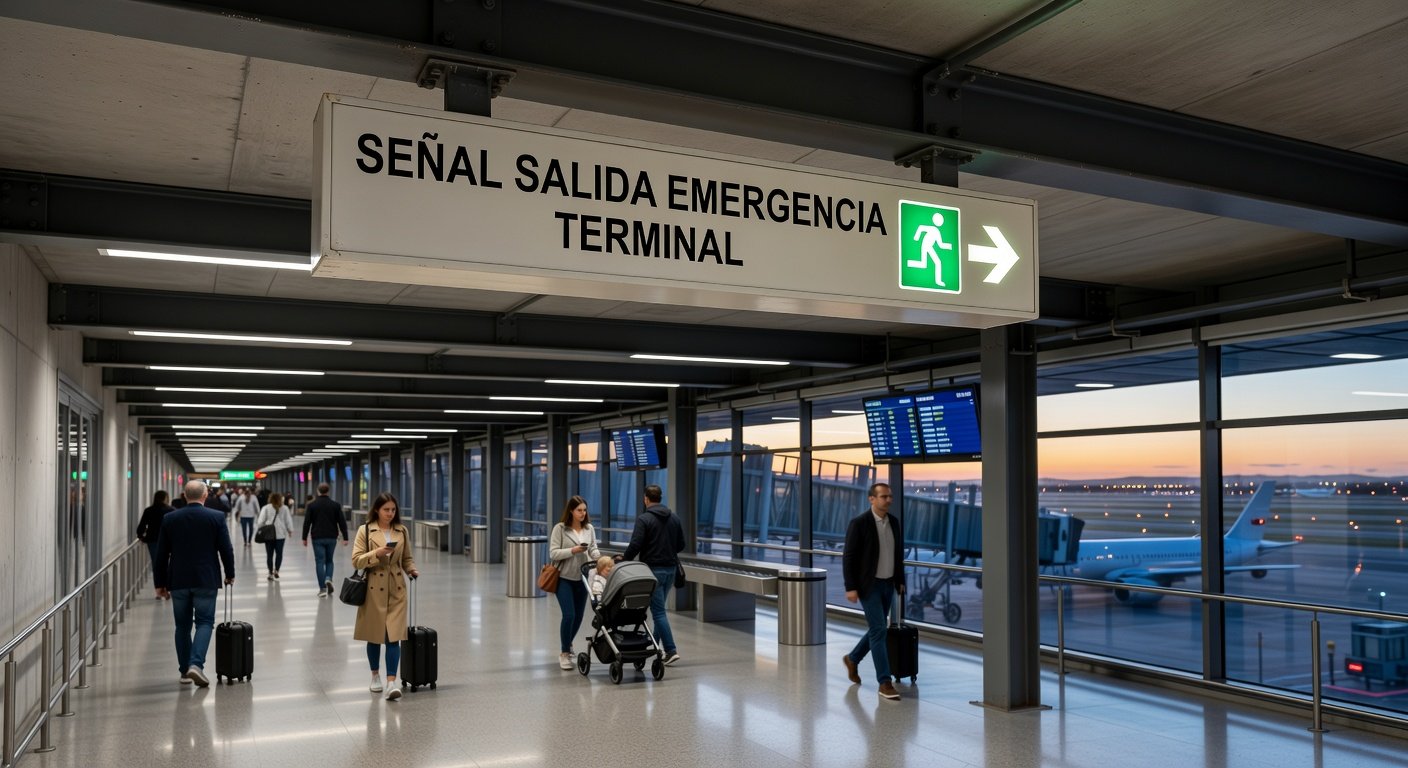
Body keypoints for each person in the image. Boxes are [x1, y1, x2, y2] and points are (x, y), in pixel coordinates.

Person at [153, 480, 236, 687]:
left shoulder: (170, 518)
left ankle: (184, 671)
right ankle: (195, 664)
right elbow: (226, 548)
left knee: (182, 626)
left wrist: (160, 583)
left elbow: (161, 554)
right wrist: (230, 573)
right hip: (206, 579)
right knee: (205, 622)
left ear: (184, 495)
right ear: (205, 495)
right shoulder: (216, 517)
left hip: (178, 579)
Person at [841, 482, 906, 701]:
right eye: (884, 496)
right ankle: (884, 682)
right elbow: (848, 557)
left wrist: (900, 580)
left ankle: (852, 658)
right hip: (868, 586)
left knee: (877, 629)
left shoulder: (894, 523)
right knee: (879, 629)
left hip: (888, 584)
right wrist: (850, 587)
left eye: (890, 496)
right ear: (871, 499)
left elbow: (897, 555)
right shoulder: (859, 523)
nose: (888, 500)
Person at [351, 492, 419, 701]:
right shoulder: (365, 530)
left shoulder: (402, 531)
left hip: (397, 589)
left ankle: (391, 682)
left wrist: (411, 570)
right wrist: (376, 554)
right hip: (373, 590)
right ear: (377, 510)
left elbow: (406, 557)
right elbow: (356, 561)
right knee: (374, 636)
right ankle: (374, 676)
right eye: (386, 510)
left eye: (393, 509)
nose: (390, 513)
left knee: (393, 636)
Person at [621, 484, 685, 666]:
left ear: (646, 499)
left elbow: (636, 544)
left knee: (658, 612)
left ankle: (671, 650)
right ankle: (653, 646)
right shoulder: (674, 518)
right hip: (671, 570)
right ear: (660, 498)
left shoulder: (644, 519)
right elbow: (681, 544)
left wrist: (624, 560)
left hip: (653, 571)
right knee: (660, 611)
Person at [548, 495, 601, 670]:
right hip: (564, 578)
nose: (582, 513)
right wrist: (573, 550)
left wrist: (598, 557)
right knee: (569, 615)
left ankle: (568, 644)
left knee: (578, 617)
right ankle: (564, 653)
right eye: (579, 510)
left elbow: (593, 548)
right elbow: (553, 553)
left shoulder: (589, 528)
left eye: (584, 510)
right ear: (571, 510)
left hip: (583, 579)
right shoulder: (560, 529)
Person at [303, 483, 350, 597]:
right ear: (328, 491)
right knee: (329, 560)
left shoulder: (312, 505)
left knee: (319, 561)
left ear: (318, 491)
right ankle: (328, 578)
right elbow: (342, 522)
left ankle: (322, 589)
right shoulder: (335, 505)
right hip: (331, 537)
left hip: (317, 537)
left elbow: (307, 522)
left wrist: (304, 537)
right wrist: (346, 537)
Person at [136, 490, 174, 589]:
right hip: (169, 541)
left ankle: (159, 588)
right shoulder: (171, 510)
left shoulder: (149, 510)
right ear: (166, 498)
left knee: (156, 564)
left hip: (153, 540)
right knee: (169, 563)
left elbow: (141, 527)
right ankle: (168, 586)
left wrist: (141, 537)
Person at [255, 492, 295, 580]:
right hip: (280, 535)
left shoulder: (266, 508)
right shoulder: (285, 508)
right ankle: (276, 570)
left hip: (269, 535)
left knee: (269, 555)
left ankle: (270, 573)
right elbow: (288, 520)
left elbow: (260, 521)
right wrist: (290, 530)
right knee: (279, 553)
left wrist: (261, 529)